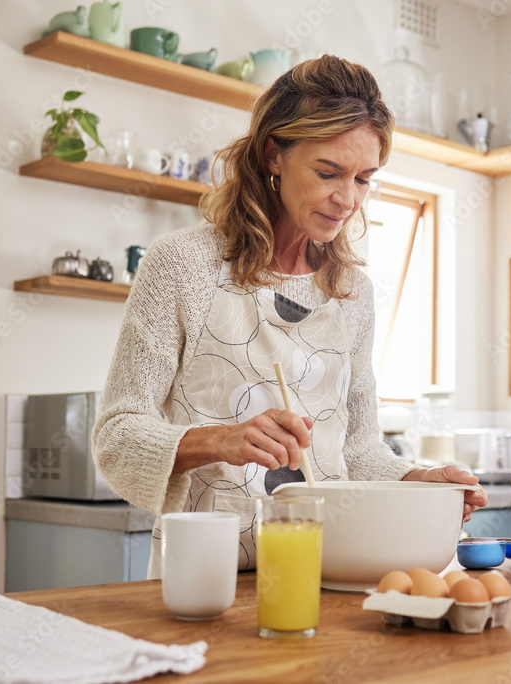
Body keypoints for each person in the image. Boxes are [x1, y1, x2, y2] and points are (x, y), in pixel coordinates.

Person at [92, 55, 487, 575]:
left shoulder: (352, 292)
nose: (347, 199)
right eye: (328, 172)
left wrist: (416, 481)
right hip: (208, 574)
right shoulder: (182, 265)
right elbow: (117, 435)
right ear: (272, 154)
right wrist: (219, 440)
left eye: (364, 179)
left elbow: (357, 452)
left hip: (325, 568)